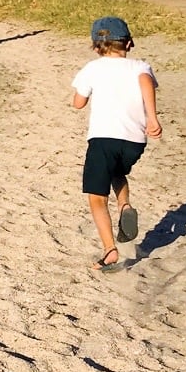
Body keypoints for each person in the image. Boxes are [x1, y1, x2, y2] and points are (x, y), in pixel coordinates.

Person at [71, 16, 162, 272]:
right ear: (129, 43)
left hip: (103, 138)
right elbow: (145, 82)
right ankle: (125, 205)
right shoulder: (141, 66)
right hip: (134, 141)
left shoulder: (92, 68)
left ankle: (110, 250)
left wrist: (82, 95)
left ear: (95, 46)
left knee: (97, 198)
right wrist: (152, 118)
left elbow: (78, 103)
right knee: (117, 172)